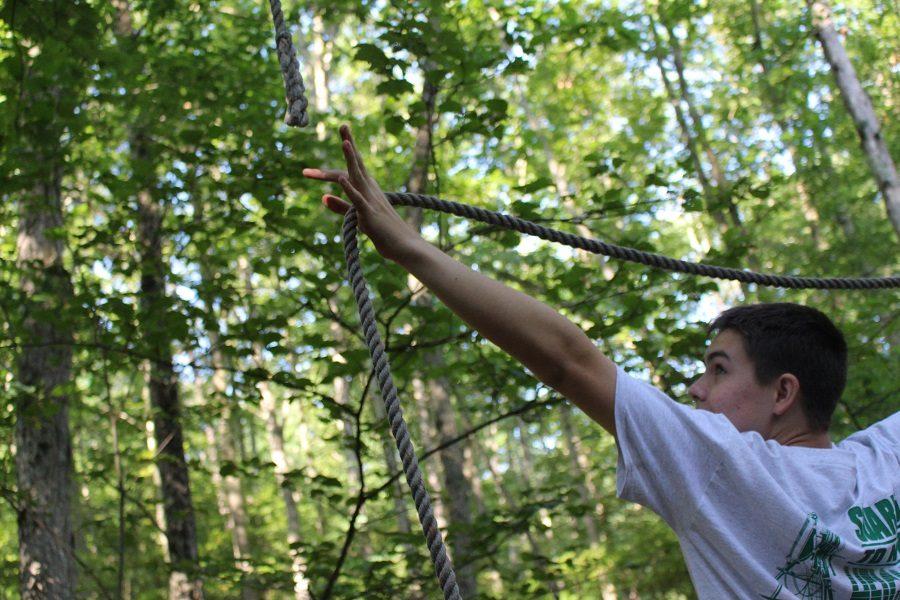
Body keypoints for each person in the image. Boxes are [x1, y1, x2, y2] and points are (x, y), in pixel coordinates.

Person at [303, 125, 900, 598]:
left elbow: (569, 361)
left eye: (718, 368)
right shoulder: (886, 461)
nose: (695, 389)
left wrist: (407, 247)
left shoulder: (725, 468)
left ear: (783, 393)